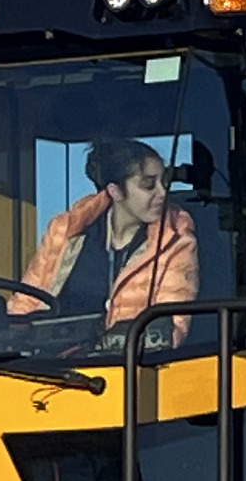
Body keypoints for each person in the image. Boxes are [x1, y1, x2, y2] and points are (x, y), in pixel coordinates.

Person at [10, 137, 199, 346]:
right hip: (54, 366)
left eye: (164, 182)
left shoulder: (176, 238)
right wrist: (10, 337)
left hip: (128, 369)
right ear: (115, 191)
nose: (162, 193)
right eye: (148, 185)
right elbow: (25, 302)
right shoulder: (65, 230)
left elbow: (173, 323)